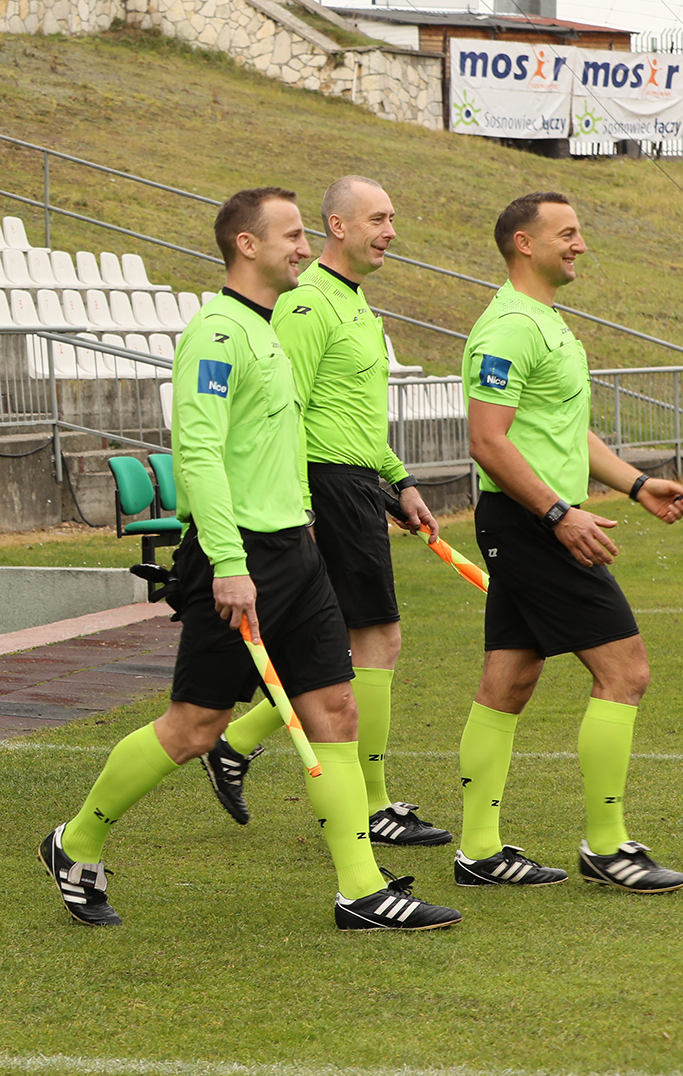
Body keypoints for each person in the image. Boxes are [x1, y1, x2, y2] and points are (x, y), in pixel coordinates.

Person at [38, 187, 460, 933]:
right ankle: (76, 842)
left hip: (295, 550)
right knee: (194, 728)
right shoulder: (217, 333)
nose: (303, 247)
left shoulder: (268, 331)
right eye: (291, 235)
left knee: (335, 708)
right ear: (247, 244)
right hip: (237, 557)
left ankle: (361, 890)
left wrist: (350, 505)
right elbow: (198, 452)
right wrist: (230, 562)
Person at [203, 176, 452, 848]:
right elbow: (291, 412)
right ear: (338, 226)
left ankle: (236, 742)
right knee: (374, 641)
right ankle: (371, 803)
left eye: (392, 217)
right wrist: (308, 506)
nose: (391, 231)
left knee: (344, 648)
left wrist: (398, 480)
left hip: (357, 484)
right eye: (378, 218)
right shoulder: (309, 303)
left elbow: (356, 415)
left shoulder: (355, 303)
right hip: (326, 485)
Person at [452, 192, 683, 893]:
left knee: (509, 681)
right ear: (524, 242)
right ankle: (607, 845)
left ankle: (478, 851)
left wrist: (637, 485)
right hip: (531, 523)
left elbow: (565, 431)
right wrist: (558, 514)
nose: (580, 244)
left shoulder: (547, 322)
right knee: (626, 671)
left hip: (533, 519)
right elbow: (487, 440)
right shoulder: (508, 328)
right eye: (568, 232)